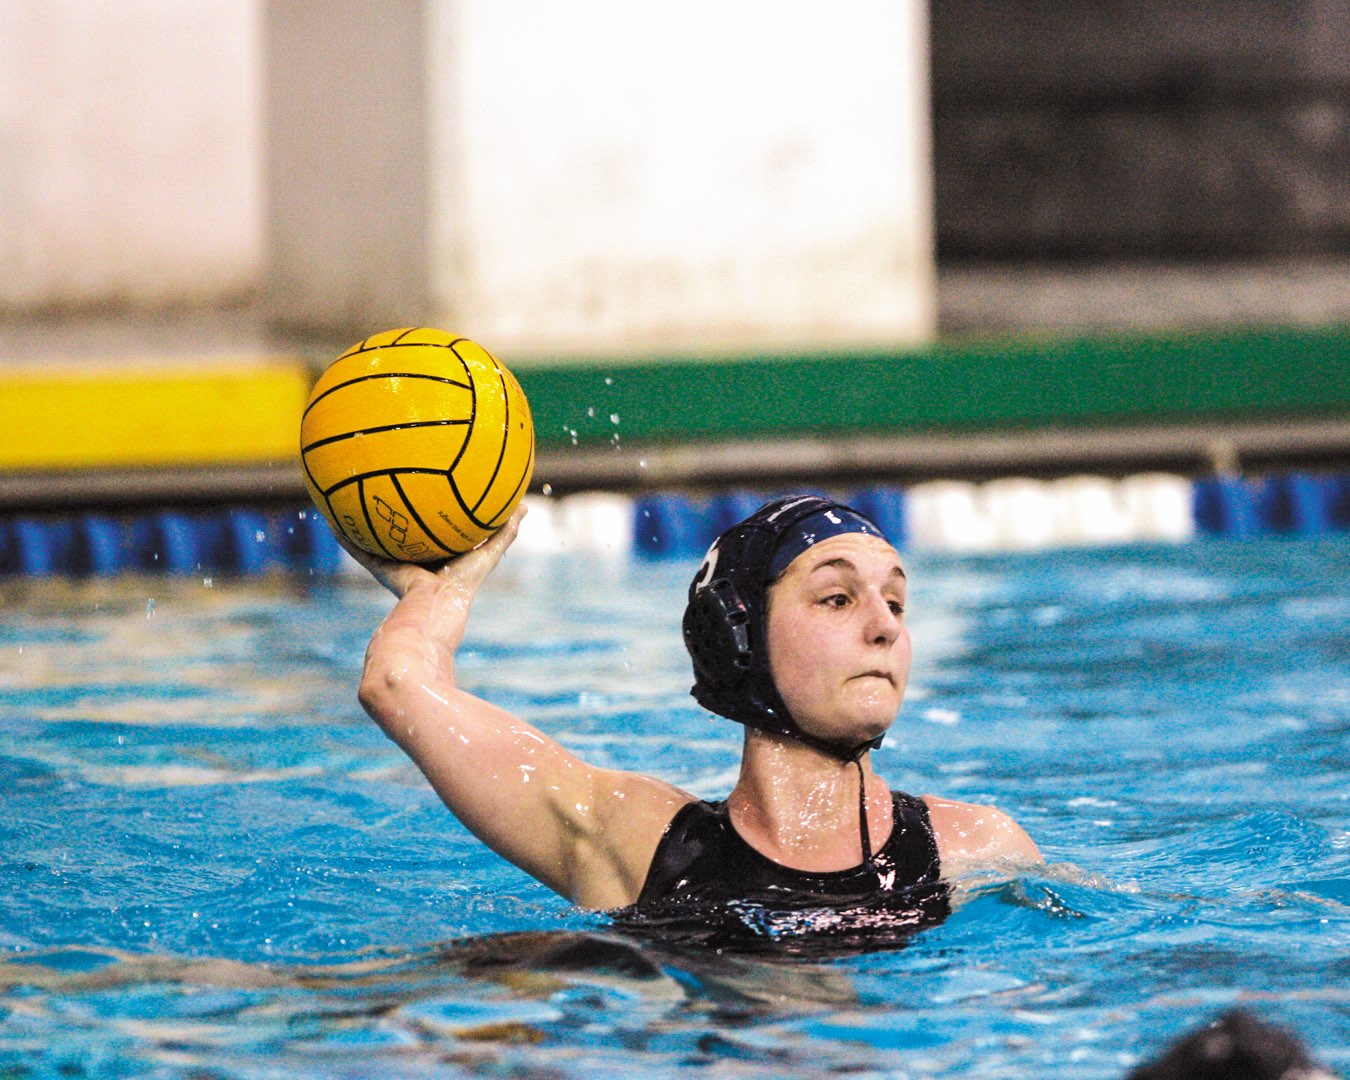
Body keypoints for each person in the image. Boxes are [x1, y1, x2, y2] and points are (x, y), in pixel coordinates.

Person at [349, 495, 1041, 938]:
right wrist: (442, 591)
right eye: (837, 598)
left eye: (896, 602)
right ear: (739, 633)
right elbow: (397, 684)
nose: (884, 627)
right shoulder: (633, 841)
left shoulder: (974, 851)